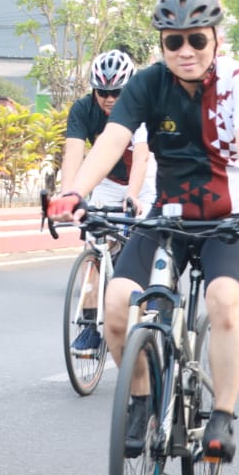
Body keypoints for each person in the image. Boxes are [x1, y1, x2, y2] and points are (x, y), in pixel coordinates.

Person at [47, 0, 239, 463]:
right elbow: (113, 141)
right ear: (161, 46)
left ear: (216, 38)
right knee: (116, 306)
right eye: (173, 41)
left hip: (229, 218)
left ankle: (221, 416)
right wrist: (74, 191)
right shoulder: (148, 84)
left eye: (196, 39)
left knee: (224, 301)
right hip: (167, 215)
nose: (185, 51)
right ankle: (139, 401)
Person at [59, 49, 155, 355]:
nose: (110, 99)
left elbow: (141, 158)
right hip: (108, 182)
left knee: (144, 241)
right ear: (93, 89)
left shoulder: (138, 108)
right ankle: (89, 327)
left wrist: (133, 195)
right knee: (96, 248)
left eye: (116, 92)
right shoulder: (82, 110)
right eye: (103, 92)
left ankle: (153, 294)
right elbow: (73, 155)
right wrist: (67, 197)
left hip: (145, 182)